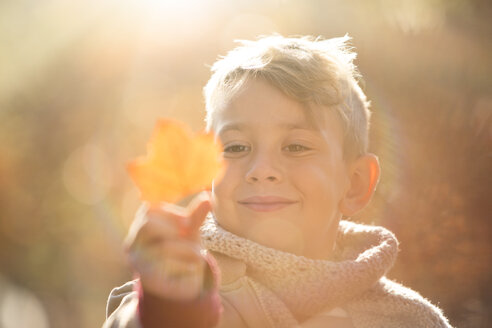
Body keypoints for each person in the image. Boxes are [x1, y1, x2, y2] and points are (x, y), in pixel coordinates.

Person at [103, 35, 453, 328]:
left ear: (356, 182)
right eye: (236, 147)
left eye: (296, 146)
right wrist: (169, 308)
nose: (262, 169)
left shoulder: (406, 320)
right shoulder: (166, 294)